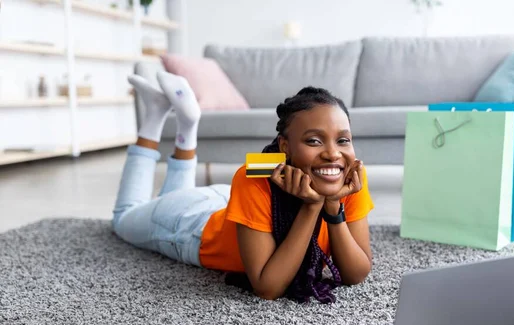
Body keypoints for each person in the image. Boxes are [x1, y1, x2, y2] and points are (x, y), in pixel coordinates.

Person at [112, 71, 374, 303]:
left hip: (229, 206)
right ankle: (155, 117)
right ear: (285, 147)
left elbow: (356, 273)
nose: (333, 154)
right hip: (189, 226)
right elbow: (268, 287)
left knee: (169, 197)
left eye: (343, 140)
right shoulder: (255, 177)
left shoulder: (347, 178)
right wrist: (312, 205)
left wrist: (332, 208)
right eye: (314, 141)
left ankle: (182, 120)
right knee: (124, 217)